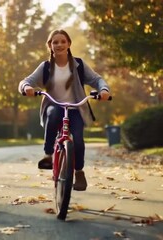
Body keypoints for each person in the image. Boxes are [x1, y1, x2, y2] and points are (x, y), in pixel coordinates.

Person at [18, 29, 111, 191]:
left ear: (69, 44)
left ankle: (79, 172)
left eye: (62, 41)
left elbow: (97, 79)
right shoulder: (46, 67)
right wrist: (26, 88)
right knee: (53, 114)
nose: (59, 44)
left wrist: (104, 90)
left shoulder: (79, 65)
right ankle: (48, 154)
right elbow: (27, 81)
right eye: (55, 42)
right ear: (50, 46)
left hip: (76, 107)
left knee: (79, 141)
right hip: (54, 105)